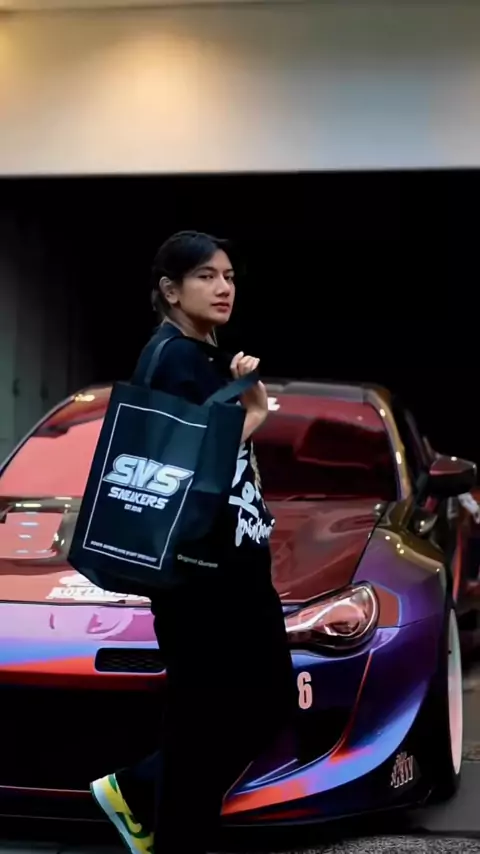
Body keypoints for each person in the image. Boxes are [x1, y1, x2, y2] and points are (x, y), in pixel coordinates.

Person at [90, 231, 295, 854]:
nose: (223, 287)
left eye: (228, 276)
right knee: (236, 711)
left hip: (221, 569)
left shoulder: (199, 356)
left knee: (212, 720)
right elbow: (182, 467)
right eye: (206, 276)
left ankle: (141, 796)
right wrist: (253, 415)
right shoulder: (174, 358)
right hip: (205, 577)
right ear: (171, 290)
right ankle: (149, 803)